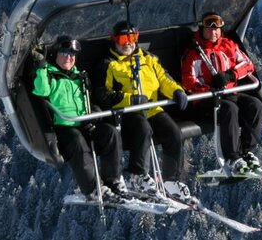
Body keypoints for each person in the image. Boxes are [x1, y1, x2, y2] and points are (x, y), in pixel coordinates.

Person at [100, 22, 194, 199]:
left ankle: (171, 180)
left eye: (131, 38)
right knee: (143, 129)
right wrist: (130, 99)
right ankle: (137, 175)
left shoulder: (148, 59)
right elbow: (103, 95)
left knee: (174, 133)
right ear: (114, 40)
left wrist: (176, 91)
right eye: (122, 38)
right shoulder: (109, 65)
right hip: (127, 113)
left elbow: (164, 79)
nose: (127, 43)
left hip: (151, 108)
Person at [31, 36, 127, 203]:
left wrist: (94, 116)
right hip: (64, 126)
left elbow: (89, 100)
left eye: (73, 54)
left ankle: (113, 180)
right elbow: (41, 91)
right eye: (65, 53)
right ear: (56, 54)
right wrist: (41, 66)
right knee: (77, 141)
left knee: (109, 133)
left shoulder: (80, 76)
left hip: (84, 122)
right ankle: (92, 188)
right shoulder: (50, 75)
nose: (69, 58)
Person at [181, 12, 262, 176]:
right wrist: (210, 90)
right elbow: (188, 81)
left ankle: (247, 152)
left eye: (217, 29)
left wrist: (230, 75)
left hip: (230, 92)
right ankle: (232, 157)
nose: (214, 33)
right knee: (229, 109)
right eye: (209, 29)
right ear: (202, 29)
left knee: (254, 105)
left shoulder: (229, 46)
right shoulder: (194, 53)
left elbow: (247, 64)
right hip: (206, 99)